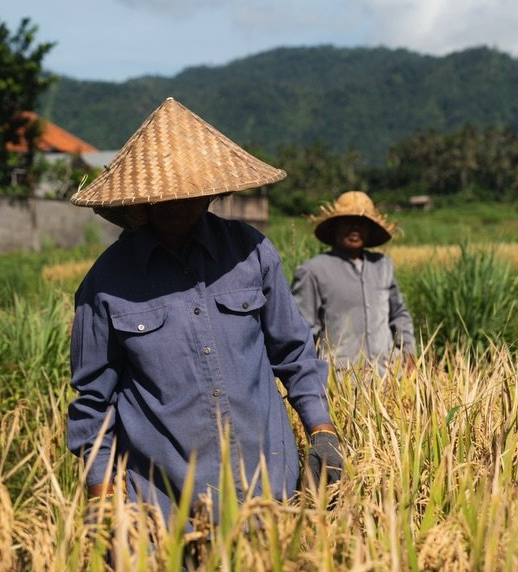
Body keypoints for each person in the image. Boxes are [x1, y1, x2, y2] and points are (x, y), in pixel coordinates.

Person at [66, 97, 342, 524]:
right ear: (140, 202)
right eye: (164, 196)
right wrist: (101, 497)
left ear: (212, 191)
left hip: (269, 490)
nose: (177, 205)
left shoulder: (251, 253)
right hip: (167, 508)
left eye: (189, 193)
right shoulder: (106, 283)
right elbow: (93, 402)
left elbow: (294, 353)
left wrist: (320, 431)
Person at [291, 191, 416, 374]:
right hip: (341, 378)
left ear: (369, 229)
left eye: (362, 224)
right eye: (347, 223)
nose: (354, 229)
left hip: (387, 373)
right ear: (335, 227)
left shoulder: (382, 265)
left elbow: (399, 314)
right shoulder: (313, 271)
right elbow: (303, 330)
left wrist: (408, 351)